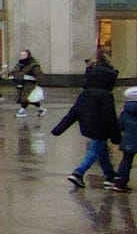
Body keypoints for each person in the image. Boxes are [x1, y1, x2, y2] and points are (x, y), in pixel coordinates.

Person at [52, 60, 121, 188]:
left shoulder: (85, 93)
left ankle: (110, 176)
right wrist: (116, 135)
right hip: (101, 128)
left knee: (102, 151)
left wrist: (59, 129)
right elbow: (109, 117)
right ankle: (78, 172)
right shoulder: (106, 95)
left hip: (87, 127)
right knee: (94, 151)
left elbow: (74, 112)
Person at [12, 49, 45, 117]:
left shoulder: (33, 65)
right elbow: (14, 71)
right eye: (21, 55)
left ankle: (22, 111)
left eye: (24, 55)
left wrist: (37, 81)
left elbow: (38, 74)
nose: (22, 56)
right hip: (21, 82)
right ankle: (41, 109)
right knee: (30, 98)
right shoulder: (19, 64)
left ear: (28, 55)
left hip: (30, 83)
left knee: (25, 97)